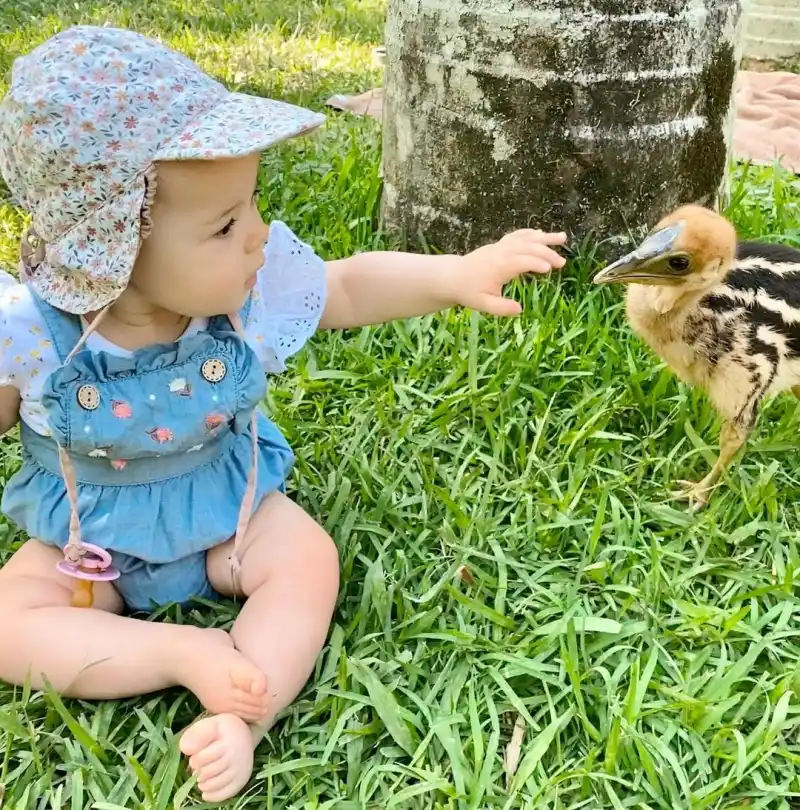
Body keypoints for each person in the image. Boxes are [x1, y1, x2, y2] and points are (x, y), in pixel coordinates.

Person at [0, 25, 567, 802]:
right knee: (7, 622)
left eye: (251, 206)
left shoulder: (244, 299)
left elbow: (348, 287)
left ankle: (244, 713)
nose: (259, 236)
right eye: (226, 224)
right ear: (110, 247)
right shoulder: (31, 333)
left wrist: (456, 273)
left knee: (307, 560)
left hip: (230, 515)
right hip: (86, 550)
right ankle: (172, 653)